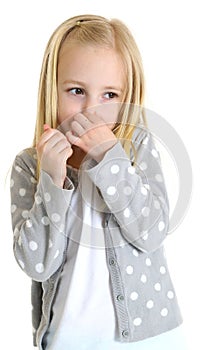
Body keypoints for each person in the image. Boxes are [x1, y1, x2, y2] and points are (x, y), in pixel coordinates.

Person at [10, 14, 186, 350]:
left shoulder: (137, 148)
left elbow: (151, 232)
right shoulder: (30, 165)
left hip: (150, 338)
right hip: (67, 339)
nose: (90, 109)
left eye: (109, 95)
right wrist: (52, 177)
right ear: (53, 89)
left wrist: (111, 159)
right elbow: (36, 263)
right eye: (76, 91)